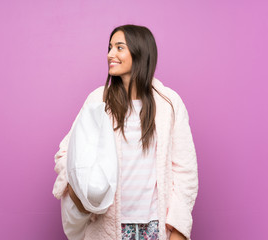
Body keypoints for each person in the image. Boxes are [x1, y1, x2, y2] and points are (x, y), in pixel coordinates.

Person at [52, 24, 199, 240]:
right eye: (110, 47)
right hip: (108, 227)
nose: (110, 54)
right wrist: (82, 196)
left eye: (119, 47)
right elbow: (66, 155)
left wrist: (178, 231)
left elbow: (185, 171)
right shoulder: (98, 101)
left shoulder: (169, 103)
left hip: (155, 227)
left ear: (140, 52)